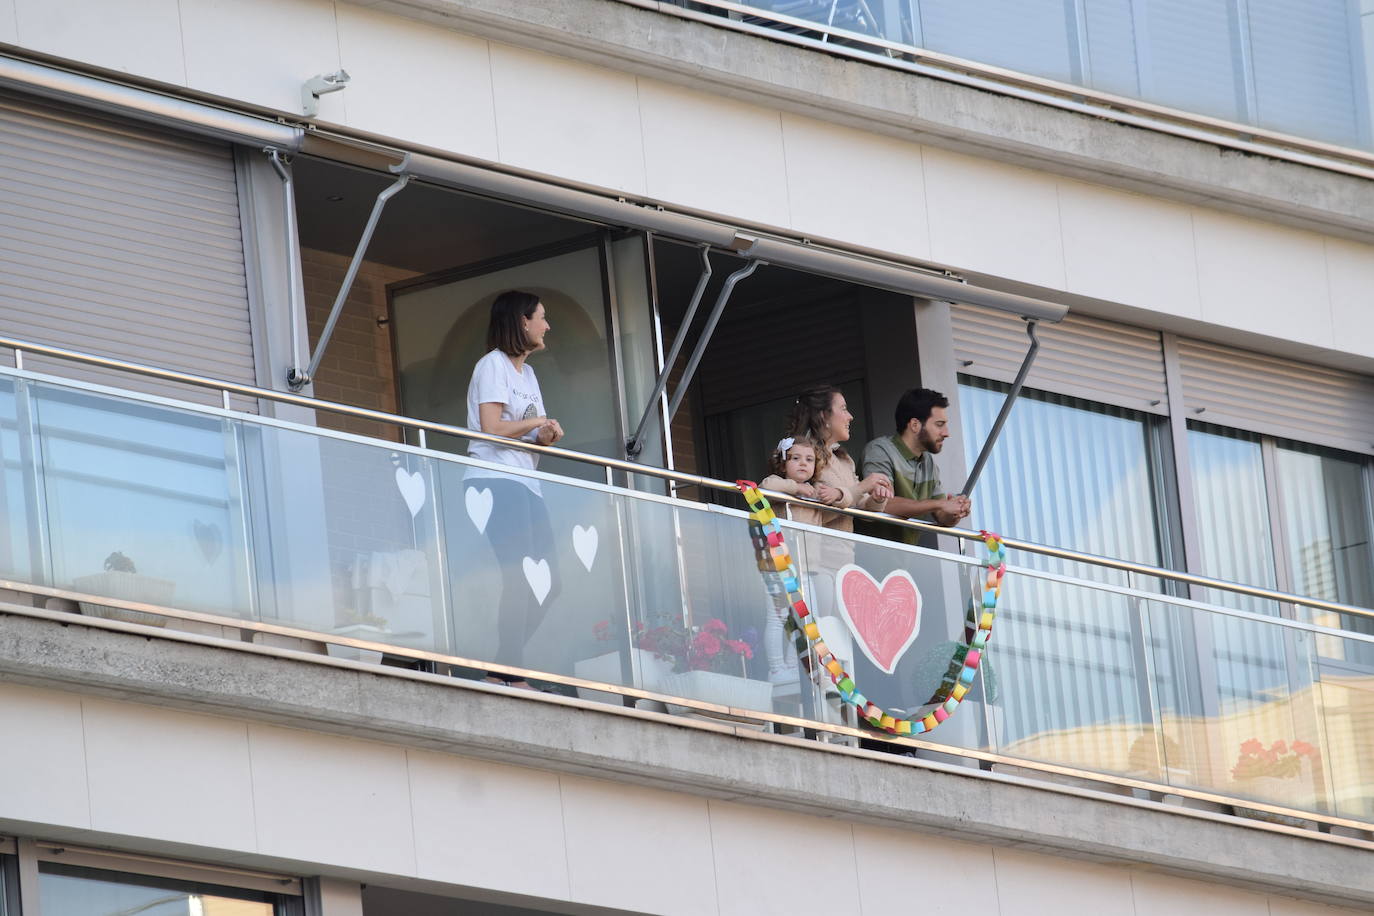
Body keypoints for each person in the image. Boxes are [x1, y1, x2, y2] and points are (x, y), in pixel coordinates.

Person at [465, 290, 564, 689]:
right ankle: (513, 675)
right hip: (493, 480)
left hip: (525, 481)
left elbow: (527, 434)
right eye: (541, 317)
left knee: (551, 583)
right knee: (520, 577)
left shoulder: (529, 374)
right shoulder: (492, 366)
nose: (546, 326)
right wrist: (535, 421)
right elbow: (491, 429)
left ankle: (500, 669)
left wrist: (546, 434)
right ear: (522, 322)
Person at [861, 387, 970, 544]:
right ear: (914, 425)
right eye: (939, 424)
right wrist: (941, 503)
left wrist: (956, 511)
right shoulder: (879, 450)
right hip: (870, 558)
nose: (946, 433)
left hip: (905, 563)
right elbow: (882, 504)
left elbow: (942, 517)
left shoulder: (928, 462)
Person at [758, 435, 824, 683]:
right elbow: (766, 487)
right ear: (783, 462)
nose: (803, 464)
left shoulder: (815, 494)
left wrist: (834, 494)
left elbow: (843, 503)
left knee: (807, 617)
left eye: (809, 460)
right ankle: (776, 669)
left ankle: (790, 666)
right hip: (779, 566)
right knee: (778, 618)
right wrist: (796, 488)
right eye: (795, 458)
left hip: (806, 569)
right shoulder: (780, 485)